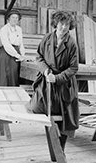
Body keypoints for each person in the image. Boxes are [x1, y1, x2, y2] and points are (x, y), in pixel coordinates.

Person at [28, 11, 79, 152]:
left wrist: (57, 78)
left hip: (64, 83)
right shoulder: (47, 38)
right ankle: (52, 133)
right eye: (61, 24)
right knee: (36, 106)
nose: (63, 27)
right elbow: (38, 57)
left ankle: (60, 149)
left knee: (66, 116)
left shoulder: (72, 44)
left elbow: (74, 67)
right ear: (56, 24)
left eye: (67, 25)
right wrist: (45, 71)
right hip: (47, 80)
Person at [0, 9, 25, 86]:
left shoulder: (19, 29)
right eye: (13, 17)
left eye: (16, 18)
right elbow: (7, 45)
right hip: (5, 54)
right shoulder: (4, 29)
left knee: (14, 74)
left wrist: (22, 54)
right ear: (8, 19)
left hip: (15, 54)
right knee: (4, 76)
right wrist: (18, 55)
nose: (15, 19)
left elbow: (21, 43)